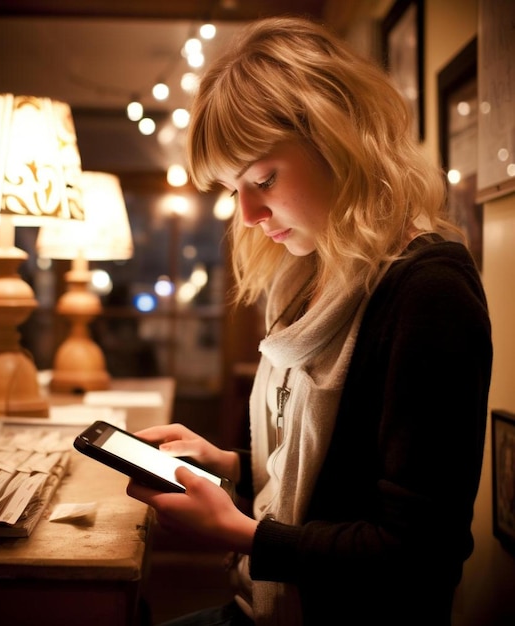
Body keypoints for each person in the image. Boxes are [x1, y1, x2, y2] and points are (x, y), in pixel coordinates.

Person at [127, 16, 492, 626]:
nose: (246, 213)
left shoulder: (429, 292)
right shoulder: (311, 279)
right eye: (231, 188)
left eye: (262, 178)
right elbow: (334, 476)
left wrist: (241, 533)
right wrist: (235, 466)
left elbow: (418, 554)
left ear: (337, 139)